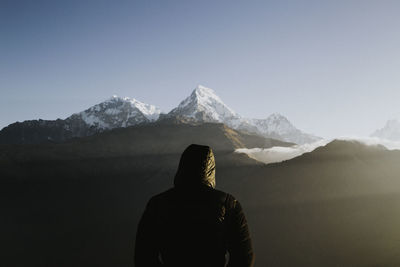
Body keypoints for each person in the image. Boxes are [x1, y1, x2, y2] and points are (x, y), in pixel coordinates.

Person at [135, 144, 254, 267]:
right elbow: (244, 257)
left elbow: (143, 256)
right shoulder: (229, 204)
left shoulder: (157, 204)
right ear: (211, 169)